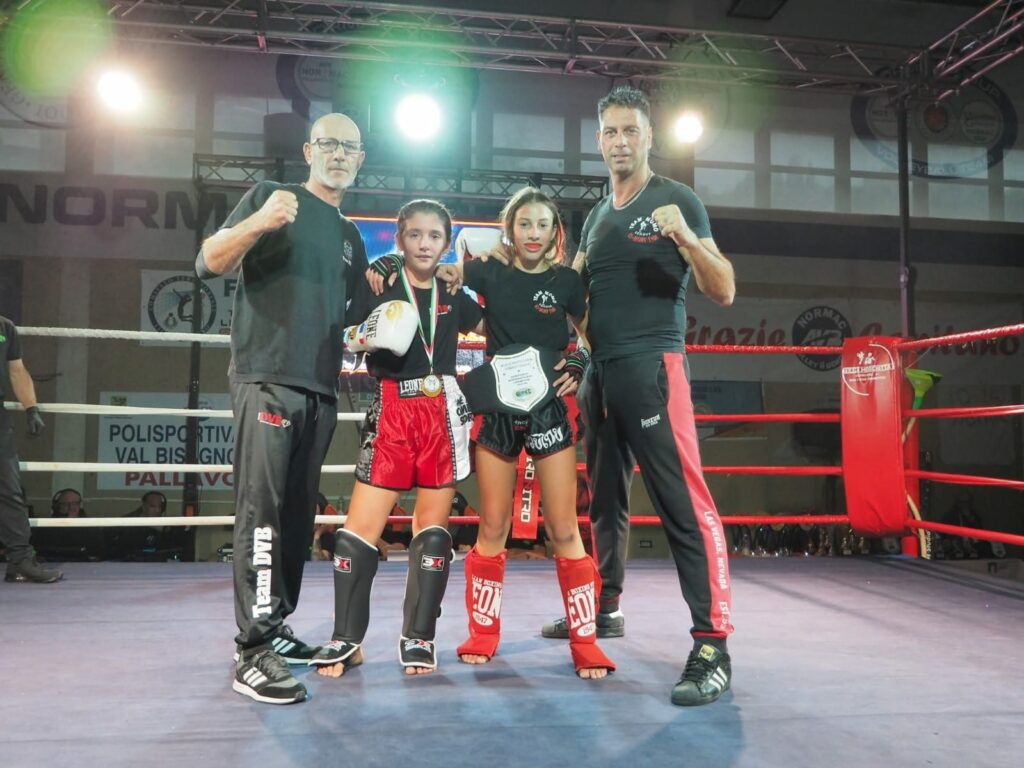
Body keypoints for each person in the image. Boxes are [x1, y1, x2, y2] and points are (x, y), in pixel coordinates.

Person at [542, 85, 737, 705]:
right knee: (603, 500)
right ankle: (606, 607)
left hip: (654, 368)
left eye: (631, 131)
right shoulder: (598, 216)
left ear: (648, 137)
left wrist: (687, 239)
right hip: (599, 376)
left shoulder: (677, 199)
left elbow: (724, 289)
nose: (620, 142)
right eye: (611, 132)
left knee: (684, 506)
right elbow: (572, 296)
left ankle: (713, 644)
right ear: (598, 141)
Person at [196, 112, 370, 705]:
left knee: (296, 515)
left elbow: (356, 322)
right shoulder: (273, 197)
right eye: (329, 144)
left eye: (349, 147)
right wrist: (260, 222)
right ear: (308, 150)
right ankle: (252, 650)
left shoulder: (350, 238)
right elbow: (209, 261)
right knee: (263, 513)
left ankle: (274, 628)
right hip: (267, 376)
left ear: (360, 160)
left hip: (320, 387)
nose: (339, 154)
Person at [438, 187, 614, 678]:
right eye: (524, 224)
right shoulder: (488, 270)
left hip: (549, 408)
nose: (533, 233)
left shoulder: (566, 282)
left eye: (542, 224)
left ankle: (585, 642)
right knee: (492, 526)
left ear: (555, 232)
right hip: (496, 409)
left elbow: (591, 332)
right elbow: (443, 273)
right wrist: (458, 263)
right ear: (509, 230)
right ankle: (483, 633)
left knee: (564, 529)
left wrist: (578, 361)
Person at [309, 199, 481, 679]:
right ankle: (347, 640)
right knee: (357, 532)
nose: (424, 244)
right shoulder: (379, 284)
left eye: (434, 236)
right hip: (391, 409)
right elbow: (345, 336)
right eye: (415, 234)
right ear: (400, 238)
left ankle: (419, 636)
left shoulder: (454, 292)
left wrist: (478, 272)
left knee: (433, 532)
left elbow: (499, 324)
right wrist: (368, 332)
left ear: (446, 244)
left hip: (441, 411)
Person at [0, 315, 63, 584]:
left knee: (9, 490)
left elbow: (17, 370)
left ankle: (20, 560)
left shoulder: (5, 327)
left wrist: (31, 408)